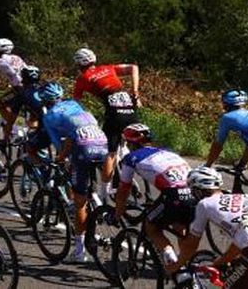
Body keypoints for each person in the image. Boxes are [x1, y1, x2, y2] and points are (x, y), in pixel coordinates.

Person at [171, 166, 248, 287]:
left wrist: (176, 266)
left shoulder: (204, 204)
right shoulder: (244, 199)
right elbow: (245, 239)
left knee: (228, 285)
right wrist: (222, 260)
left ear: (198, 190)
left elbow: (191, 245)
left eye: (192, 191)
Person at [41, 82, 109, 262]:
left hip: (82, 146)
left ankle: (79, 252)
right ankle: (101, 200)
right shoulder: (74, 104)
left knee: (79, 203)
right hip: (101, 140)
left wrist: (60, 158)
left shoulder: (49, 117)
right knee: (87, 172)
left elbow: (61, 143)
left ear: (45, 102)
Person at [113, 124, 195, 270]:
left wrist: (118, 213)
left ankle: (175, 267)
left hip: (173, 196)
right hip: (194, 193)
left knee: (150, 227)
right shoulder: (167, 151)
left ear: (131, 143)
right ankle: (185, 263)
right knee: (179, 226)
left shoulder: (131, 158)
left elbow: (123, 189)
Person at [71, 47, 140, 197]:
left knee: (110, 153)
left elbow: (75, 104)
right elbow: (133, 67)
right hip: (131, 111)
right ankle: (132, 174)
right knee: (128, 143)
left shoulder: (82, 79)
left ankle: (103, 195)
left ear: (78, 65)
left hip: (115, 115)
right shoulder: (109, 68)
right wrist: (135, 91)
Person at [0, 38, 28, 139]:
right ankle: (13, 126)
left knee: (0, 102)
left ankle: (13, 127)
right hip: (28, 86)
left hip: (18, 88)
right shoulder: (17, 58)